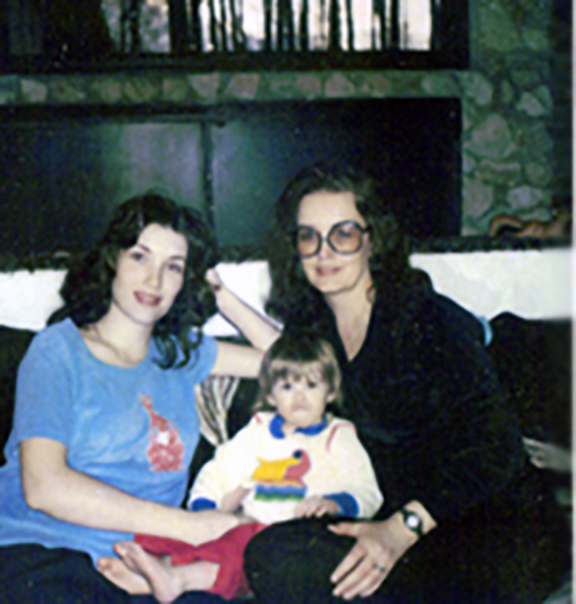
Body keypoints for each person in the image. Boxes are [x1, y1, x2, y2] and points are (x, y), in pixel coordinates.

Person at [208, 163, 570, 604]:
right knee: (271, 554)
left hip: (486, 522)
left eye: (343, 234)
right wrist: (220, 304)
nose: (324, 252)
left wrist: (402, 529)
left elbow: (497, 449)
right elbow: (283, 362)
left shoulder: (427, 318)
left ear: (373, 239)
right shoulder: (315, 329)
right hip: (391, 525)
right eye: (309, 237)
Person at [0, 193, 267, 603]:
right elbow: (43, 486)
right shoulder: (58, 351)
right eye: (140, 257)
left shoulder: (181, 353)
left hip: (151, 568)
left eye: (173, 267)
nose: (154, 280)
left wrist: (222, 296)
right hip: (44, 552)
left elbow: (298, 364)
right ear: (113, 259)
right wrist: (190, 526)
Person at [97, 332, 383, 602]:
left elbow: (366, 490)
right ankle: (150, 576)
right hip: (246, 523)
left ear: (330, 391)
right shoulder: (257, 431)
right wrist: (206, 507)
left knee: (236, 552)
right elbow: (220, 470)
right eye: (287, 387)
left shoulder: (338, 437)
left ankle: (176, 579)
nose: (299, 397)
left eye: (311, 385)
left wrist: (335, 504)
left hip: (296, 540)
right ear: (270, 395)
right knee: (190, 535)